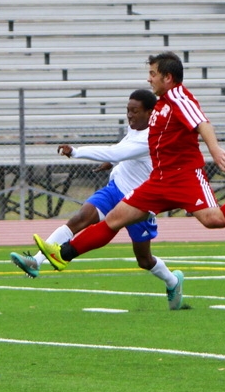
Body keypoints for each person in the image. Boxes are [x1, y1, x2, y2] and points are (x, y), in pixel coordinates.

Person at [33, 52, 225, 274]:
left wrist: (214, 150)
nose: (149, 78)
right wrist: (114, 163)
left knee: (213, 220)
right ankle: (62, 254)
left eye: (153, 73)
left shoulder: (180, 97)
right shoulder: (160, 106)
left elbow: (202, 122)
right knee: (114, 219)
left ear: (167, 77)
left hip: (185, 176)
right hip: (159, 179)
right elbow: (140, 145)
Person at [11, 89, 185, 309]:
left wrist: (75, 151)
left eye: (135, 111)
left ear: (151, 113)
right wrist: (111, 164)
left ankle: (172, 281)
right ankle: (36, 261)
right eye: (128, 110)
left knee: (144, 259)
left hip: (139, 202)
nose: (130, 115)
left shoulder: (151, 137)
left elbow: (117, 152)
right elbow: (123, 150)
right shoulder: (136, 129)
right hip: (116, 189)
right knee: (81, 217)